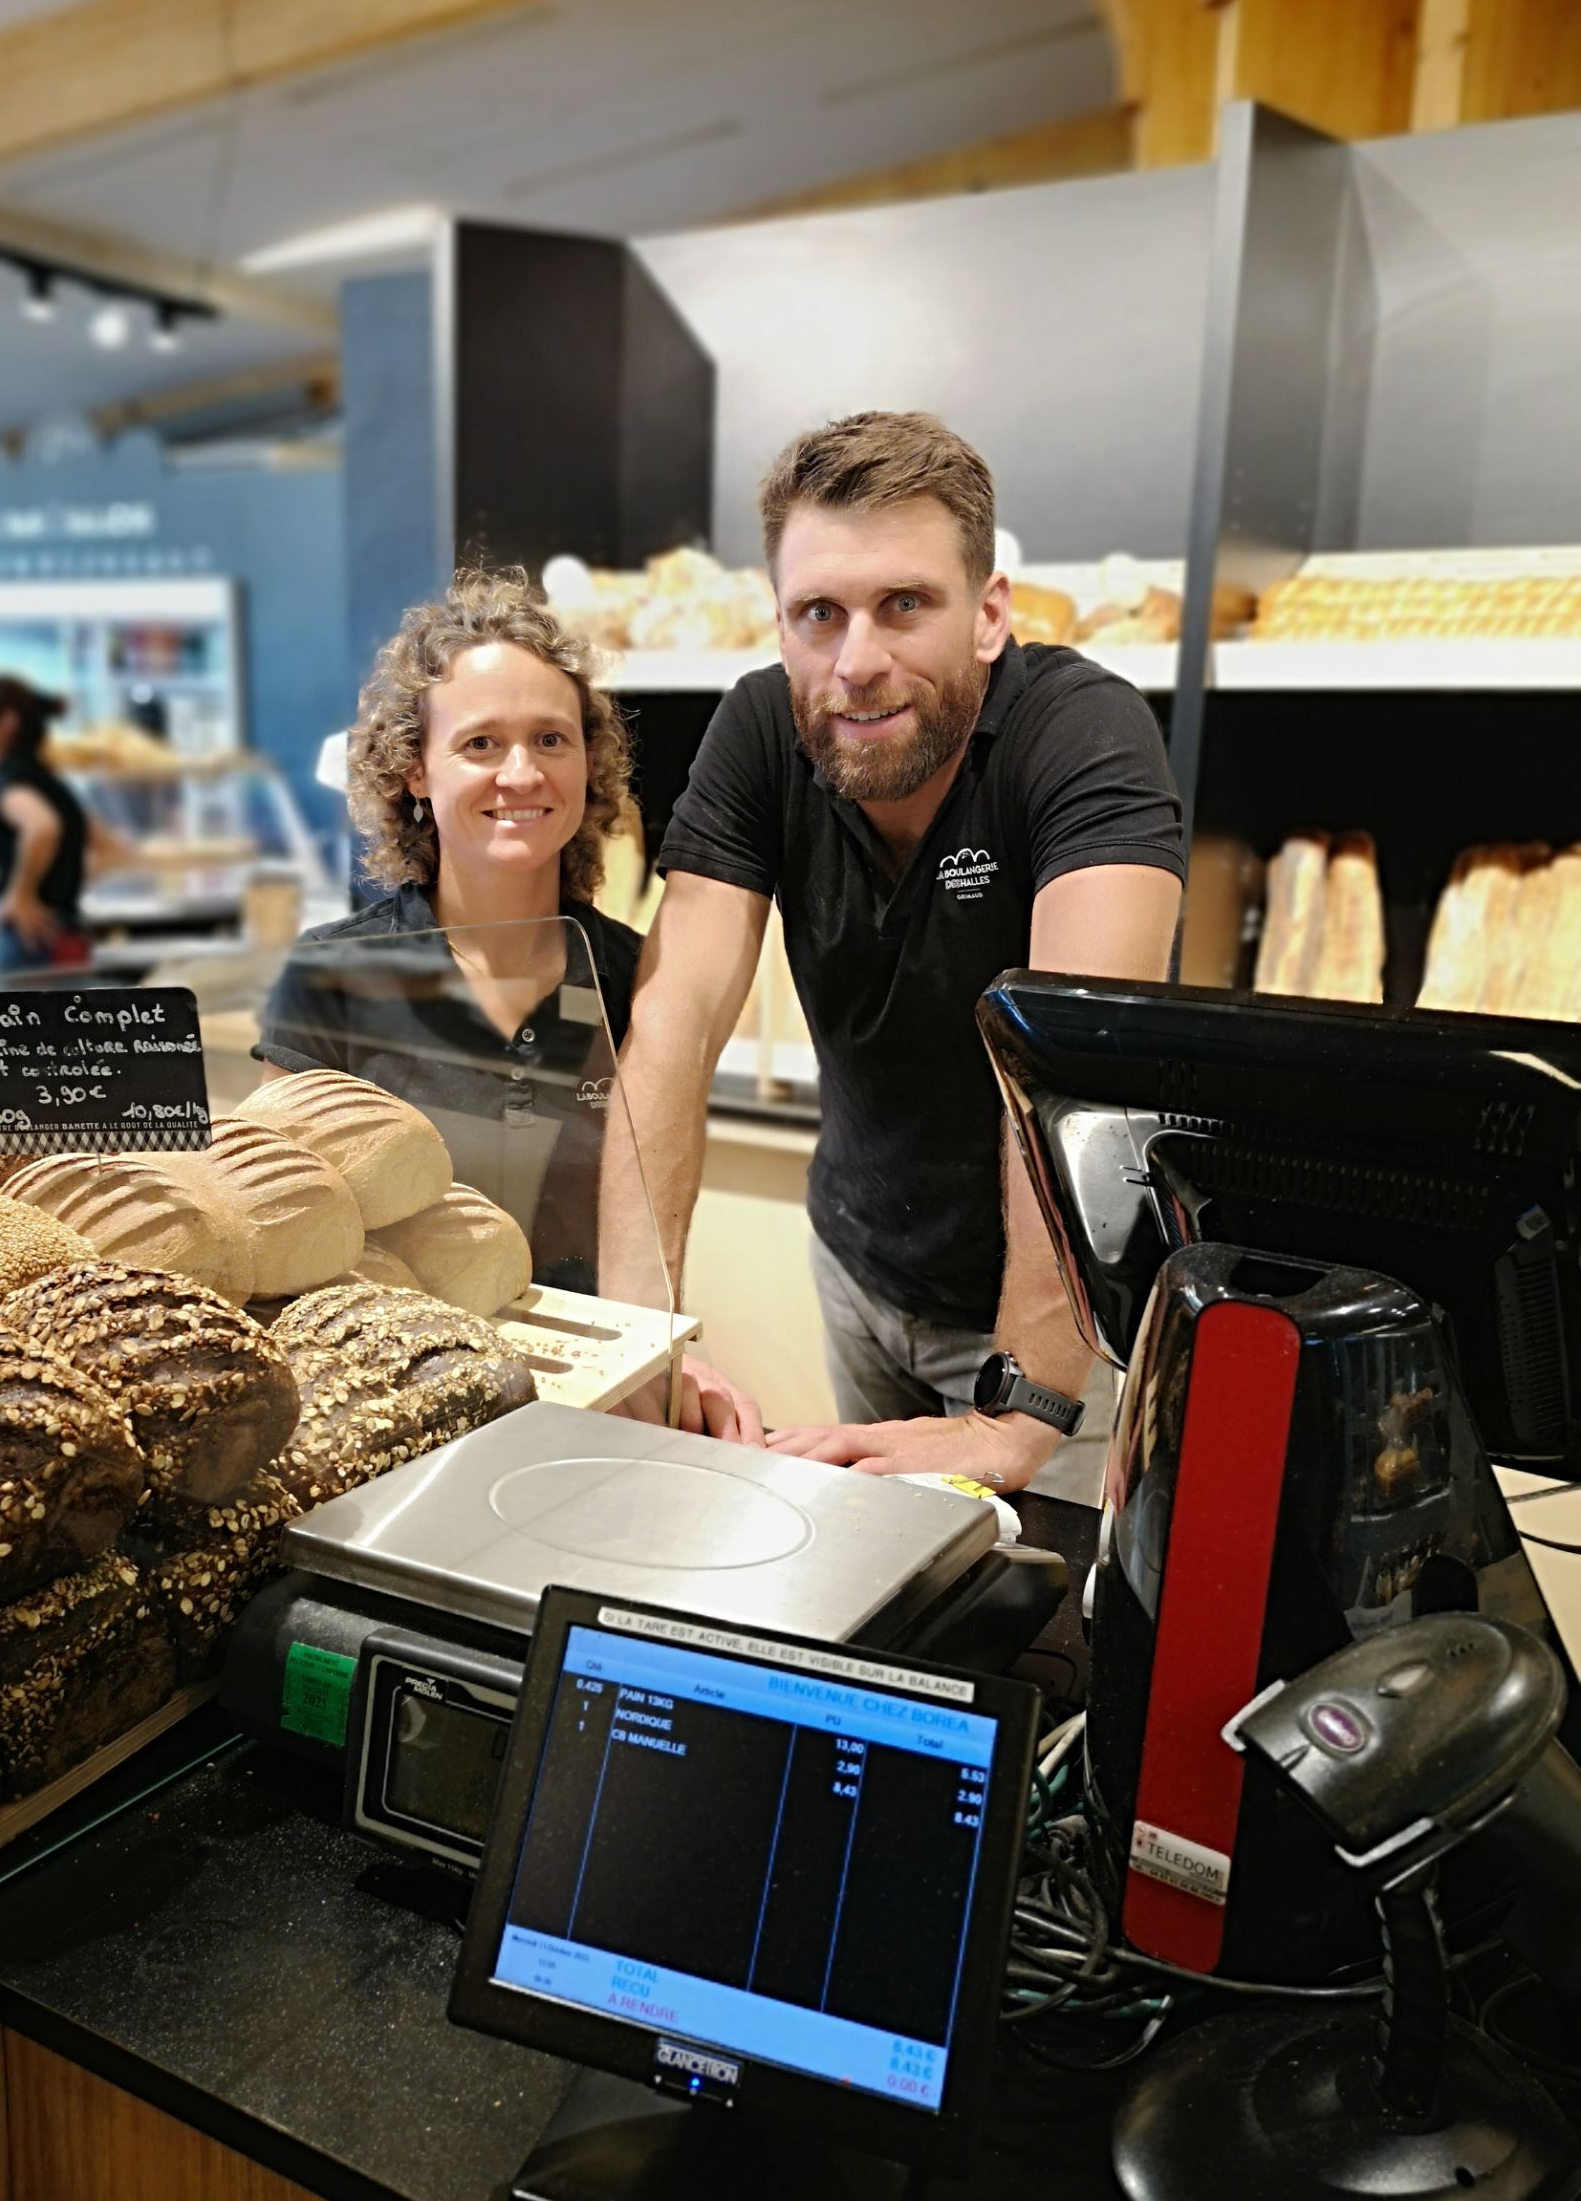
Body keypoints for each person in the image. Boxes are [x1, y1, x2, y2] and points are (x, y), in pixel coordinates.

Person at [601, 412, 1184, 1501]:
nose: (856, 662)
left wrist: (1023, 1407)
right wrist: (638, 1337)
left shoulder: (1082, 736)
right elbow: (671, 1027)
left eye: (902, 605)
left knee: (1044, 1635)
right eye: (817, 614)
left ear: (988, 615)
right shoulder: (758, 730)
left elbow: (1072, 1078)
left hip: (1062, 1321)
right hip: (858, 1269)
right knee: (891, 1619)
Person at [257, 569, 641, 1278]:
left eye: (551, 739)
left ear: (588, 763)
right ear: (416, 772)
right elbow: (280, 1214)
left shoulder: (639, 978)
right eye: (481, 744)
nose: (522, 774)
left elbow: (649, 1230)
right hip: (390, 1365)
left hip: (592, 1370)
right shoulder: (332, 977)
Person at [0, 674, 101, 974]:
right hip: (67, 930)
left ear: (7, 722)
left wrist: (20, 894)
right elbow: (100, 841)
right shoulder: (50, 780)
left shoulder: (2, 779)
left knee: (3, 1021)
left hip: (25, 935)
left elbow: (42, 827)